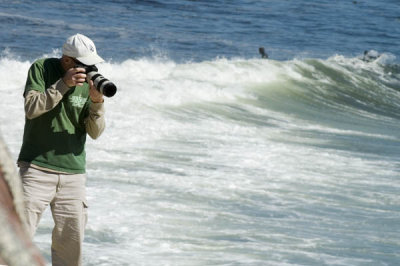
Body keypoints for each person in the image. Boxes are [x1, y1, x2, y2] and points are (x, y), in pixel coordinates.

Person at [17, 33, 106, 266]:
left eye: (92, 64)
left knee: (71, 248)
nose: (89, 69)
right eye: (84, 64)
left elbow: (95, 132)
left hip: (74, 175)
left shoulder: (90, 83)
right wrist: (63, 84)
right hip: (36, 169)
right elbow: (32, 108)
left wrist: (97, 103)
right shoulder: (42, 68)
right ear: (67, 60)